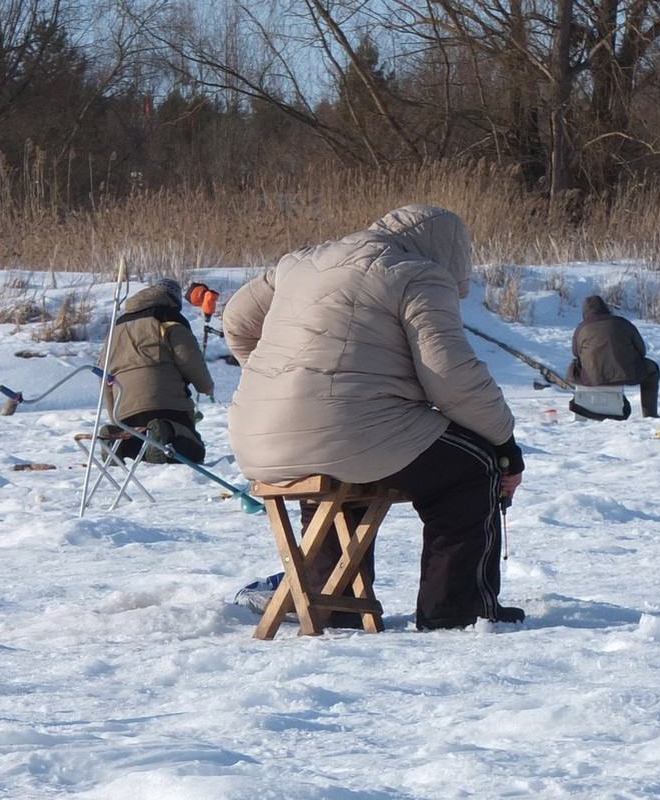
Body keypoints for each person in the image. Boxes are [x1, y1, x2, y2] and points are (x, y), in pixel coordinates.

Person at [222, 205, 525, 631]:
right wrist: (505, 444)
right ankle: (457, 611)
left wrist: (274, 383)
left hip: (256, 435)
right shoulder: (418, 274)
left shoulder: (301, 263)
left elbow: (234, 318)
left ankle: (337, 602)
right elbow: (450, 377)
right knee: (473, 468)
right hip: (352, 431)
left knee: (337, 470)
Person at [100, 277, 214, 463]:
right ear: (173, 299)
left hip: (125, 407)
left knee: (138, 445)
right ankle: (166, 431)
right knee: (194, 449)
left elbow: (104, 375)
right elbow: (188, 357)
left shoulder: (117, 326)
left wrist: (115, 418)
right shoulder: (169, 317)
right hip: (167, 404)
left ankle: (117, 440)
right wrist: (206, 387)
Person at [565, 295, 660, 418]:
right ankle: (650, 414)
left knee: (575, 366)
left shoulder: (581, 328)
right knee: (653, 370)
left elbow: (576, 353)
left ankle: (582, 402)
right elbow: (641, 349)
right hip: (628, 374)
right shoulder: (623, 322)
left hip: (592, 377)